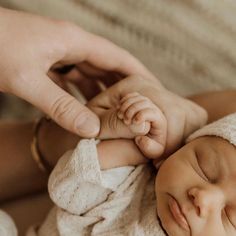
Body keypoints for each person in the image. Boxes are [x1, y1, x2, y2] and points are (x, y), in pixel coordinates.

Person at [1, 88, 235, 235]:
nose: (202, 197)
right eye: (203, 166)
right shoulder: (134, 186)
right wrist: (139, 139)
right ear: (182, 147)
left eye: (231, 217)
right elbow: (67, 186)